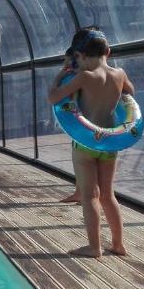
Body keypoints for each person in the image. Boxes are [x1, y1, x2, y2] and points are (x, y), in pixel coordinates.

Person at [48, 29, 130, 258]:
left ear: (80, 55)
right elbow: (129, 96)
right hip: (110, 142)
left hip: (86, 142)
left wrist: (61, 74)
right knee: (108, 195)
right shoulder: (119, 74)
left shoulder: (84, 77)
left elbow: (54, 97)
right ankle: (118, 244)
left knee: (89, 196)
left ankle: (94, 247)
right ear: (108, 52)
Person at [57, 47, 81, 204]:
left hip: (83, 127)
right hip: (88, 125)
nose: (65, 65)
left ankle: (86, 194)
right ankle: (80, 192)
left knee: (81, 162)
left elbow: (57, 96)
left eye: (67, 61)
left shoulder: (79, 78)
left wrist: (60, 76)